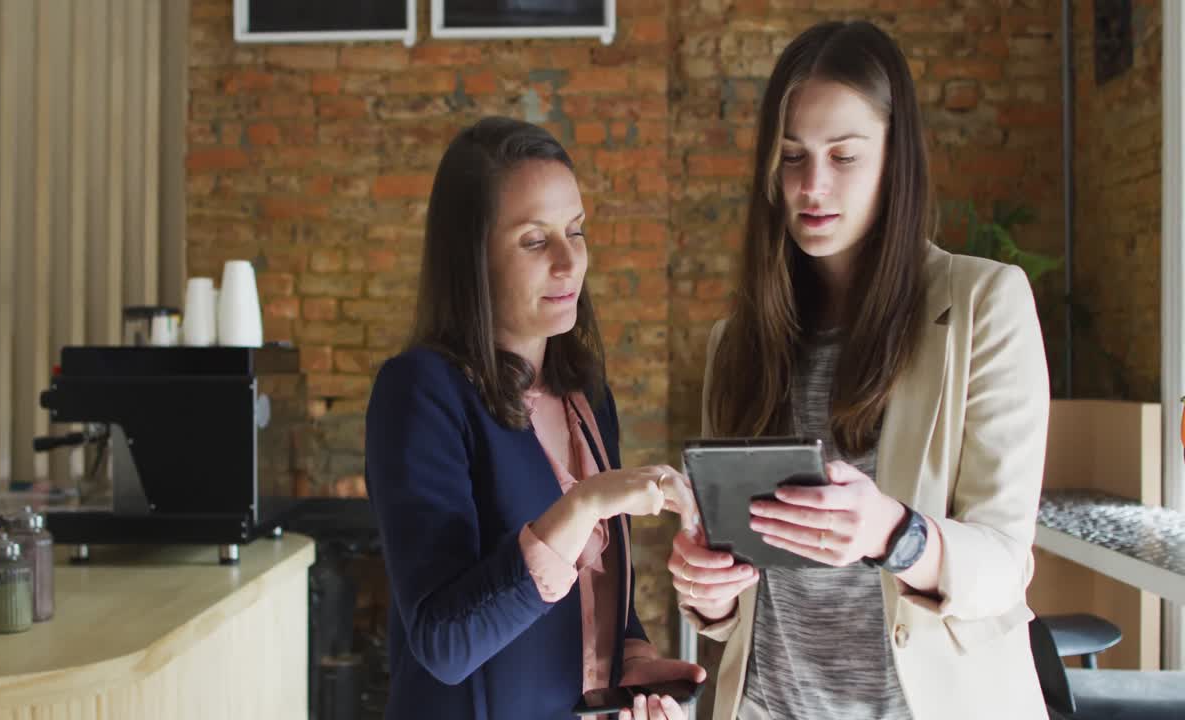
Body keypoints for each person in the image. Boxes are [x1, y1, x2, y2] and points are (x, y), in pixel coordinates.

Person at [667, 20, 1050, 720]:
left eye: (844, 156)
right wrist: (707, 588)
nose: (812, 186)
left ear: (896, 158)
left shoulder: (985, 304)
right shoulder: (737, 344)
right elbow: (734, 603)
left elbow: (1003, 564)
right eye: (791, 158)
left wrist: (893, 532)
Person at [366, 116, 705, 720]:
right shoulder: (420, 392)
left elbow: (600, 610)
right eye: (533, 240)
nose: (568, 261)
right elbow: (444, 642)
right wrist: (583, 505)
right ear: (472, 259)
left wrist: (631, 663)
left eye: (575, 231)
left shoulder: (587, 397)